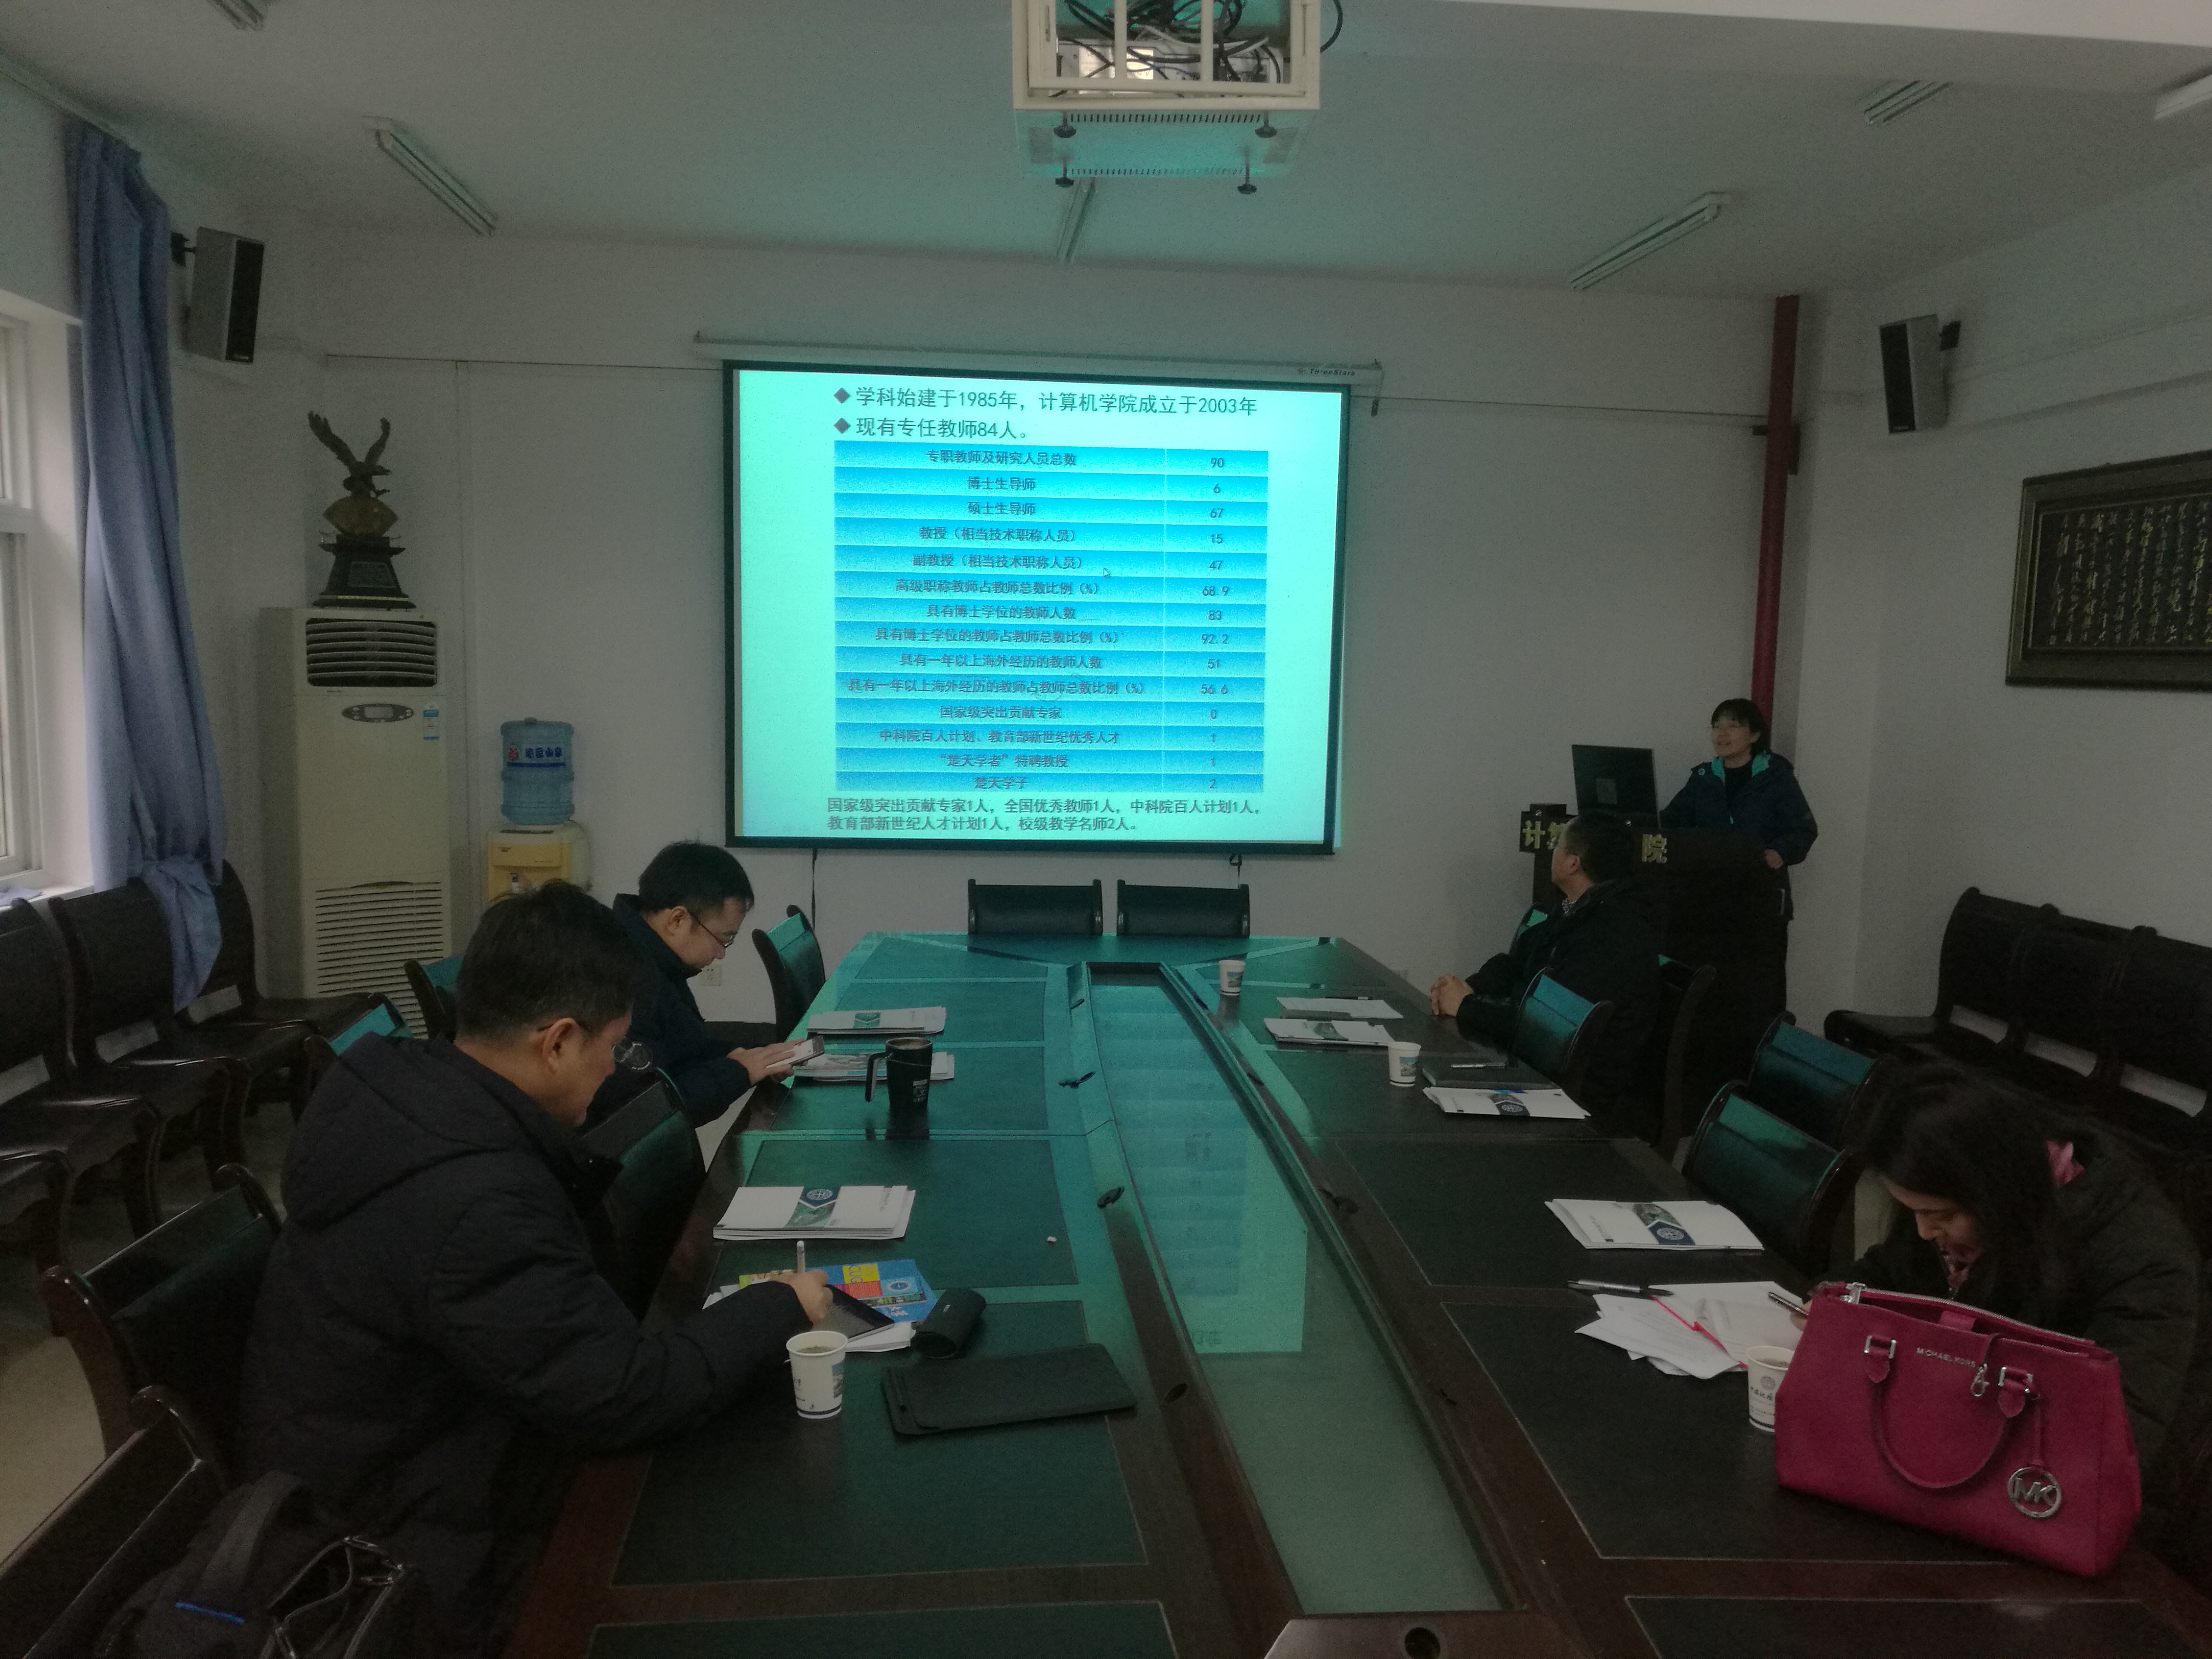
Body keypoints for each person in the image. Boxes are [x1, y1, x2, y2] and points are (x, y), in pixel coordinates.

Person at [239, 881, 832, 1655]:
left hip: (415, 1470)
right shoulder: (474, 1204)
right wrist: (780, 1306)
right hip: (403, 1562)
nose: (615, 1072)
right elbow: (625, 1396)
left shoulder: (411, 1101)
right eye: (613, 1050)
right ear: (555, 1043)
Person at [1838, 1074, 2200, 1468]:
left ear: (1997, 1192)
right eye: (1914, 1212)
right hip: (1953, 1434)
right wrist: (1835, 1305)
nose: (1924, 1231)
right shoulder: (1960, 1200)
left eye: (1941, 1215)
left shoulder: (2143, 1259)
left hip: (2040, 1469)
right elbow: (1891, 1272)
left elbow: (2115, 1435)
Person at [1429, 813, 1660, 1118]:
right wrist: (1469, 988)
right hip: (1539, 1062)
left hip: (1575, 1088)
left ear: (1573, 863)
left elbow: (1548, 1026)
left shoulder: (1614, 931)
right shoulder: (1575, 909)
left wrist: (1467, 1006)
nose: (1553, 851)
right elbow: (1515, 962)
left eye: (1557, 844)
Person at [601, 841, 807, 1126]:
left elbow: (684, 1048)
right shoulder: (623, 980)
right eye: (724, 939)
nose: (722, 954)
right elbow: (652, 1113)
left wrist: (739, 1056)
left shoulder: (648, 954)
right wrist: (740, 1071)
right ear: (678, 920)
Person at [1659, 697, 1818, 876]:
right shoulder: (1704, 778)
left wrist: (1780, 852)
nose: (1722, 734)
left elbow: (1803, 829)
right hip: (1708, 880)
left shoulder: (1776, 776)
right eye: (1716, 727)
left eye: (1732, 726)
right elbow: (1670, 822)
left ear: (1754, 735)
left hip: (1759, 881)